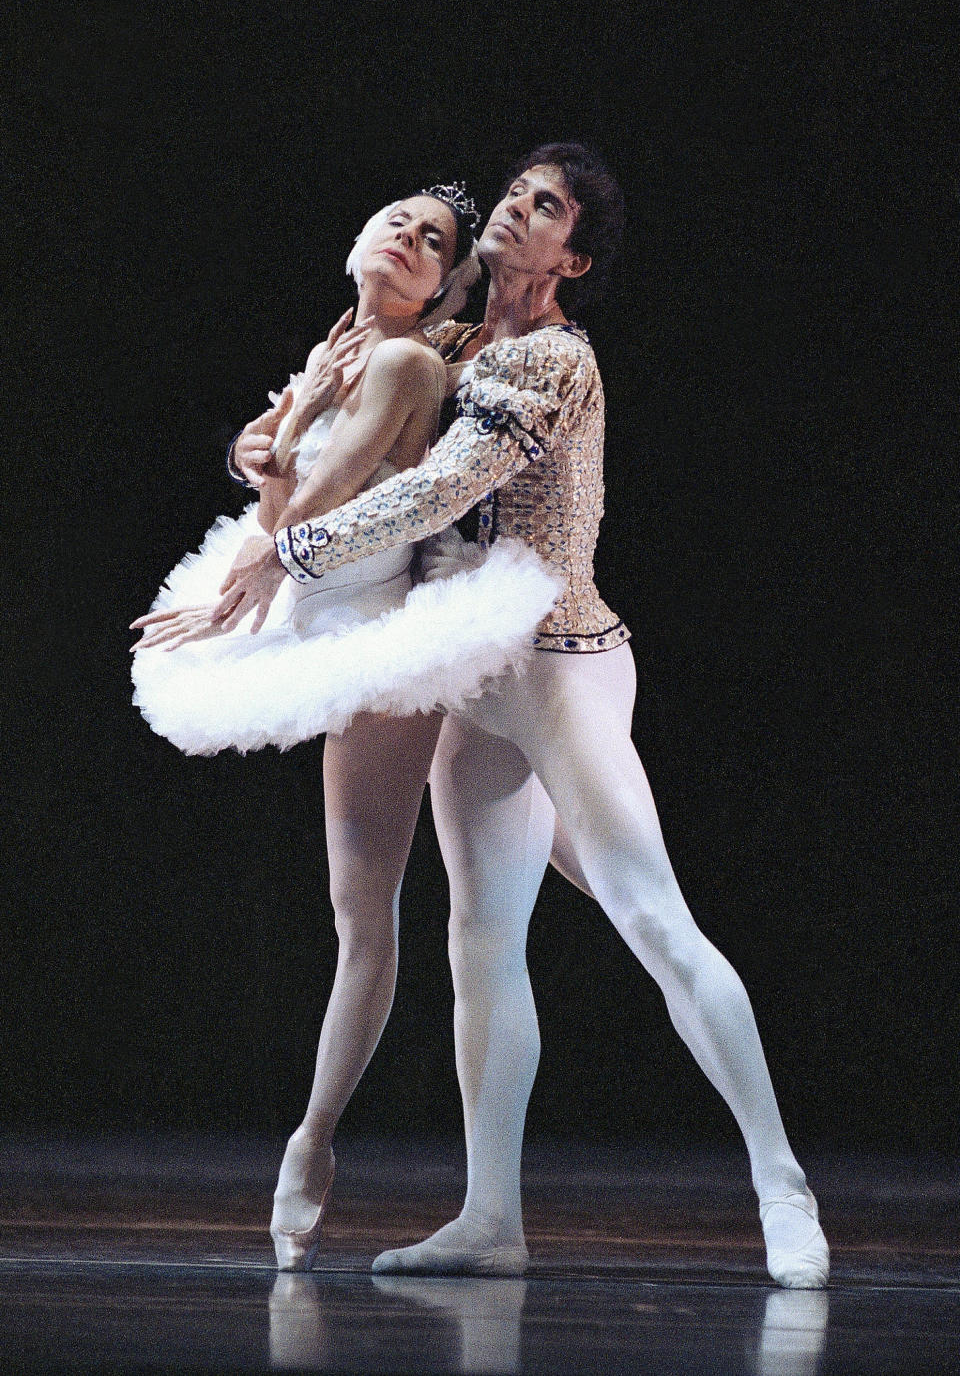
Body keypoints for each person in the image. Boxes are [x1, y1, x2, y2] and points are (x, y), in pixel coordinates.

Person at [209, 143, 830, 1290]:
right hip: (470, 677)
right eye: (514, 192)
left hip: (557, 663)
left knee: (649, 913)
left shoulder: (553, 360)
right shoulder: (444, 349)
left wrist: (290, 551)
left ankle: (780, 1181)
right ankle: (492, 1216)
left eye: (544, 208)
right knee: (481, 943)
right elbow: (342, 446)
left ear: (573, 257)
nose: (514, 210)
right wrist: (261, 450)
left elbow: (438, 489)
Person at [130, 183, 560, 1271]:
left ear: (446, 280)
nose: (411, 241)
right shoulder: (349, 346)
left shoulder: (408, 362)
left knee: (367, 915)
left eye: (436, 242)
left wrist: (270, 485)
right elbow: (261, 461)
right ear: (358, 237)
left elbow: (308, 511)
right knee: (366, 906)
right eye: (397, 222)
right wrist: (277, 426)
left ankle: (311, 1143)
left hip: (374, 638)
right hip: (309, 613)